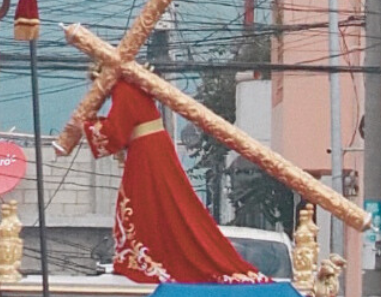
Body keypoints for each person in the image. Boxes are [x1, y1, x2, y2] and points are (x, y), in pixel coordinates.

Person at [81, 79, 265, 284]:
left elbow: (115, 133)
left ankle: (148, 256)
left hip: (146, 154)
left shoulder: (125, 90)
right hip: (150, 150)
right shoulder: (132, 87)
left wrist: (88, 123)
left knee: (143, 205)